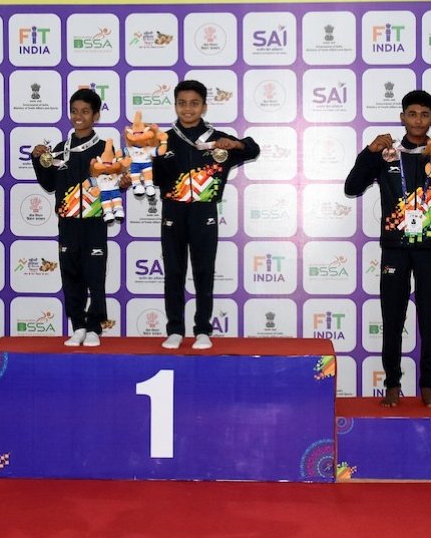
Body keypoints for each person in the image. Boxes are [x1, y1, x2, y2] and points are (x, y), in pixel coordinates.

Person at [344, 90, 431, 408]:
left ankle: (428, 385)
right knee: (393, 319)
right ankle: (392, 384)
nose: (418, 120)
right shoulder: (386, 154)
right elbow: (351, 187)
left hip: (430, 250)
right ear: (402, 117)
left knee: (430, 320)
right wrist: (369, 152)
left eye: (425, 114)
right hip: (395, 249)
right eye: (412, 114)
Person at [154, 80, 259, 350]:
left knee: (203, 271)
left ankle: (203, 330)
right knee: (174, 272)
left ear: (204, 106)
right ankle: (175, 330)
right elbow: (153, 177)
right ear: (175, 105)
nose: (188, 109)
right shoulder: (163, 140)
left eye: (194, 103)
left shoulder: (217, 139)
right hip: (173, 212)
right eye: (182, 103)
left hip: (205, 213)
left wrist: (235, 144)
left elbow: (253, 148)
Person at [30, 88, 129, 348]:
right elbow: (49, 184)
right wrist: (38, 160)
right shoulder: (60, 150)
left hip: (95, 221)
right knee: (70, 274)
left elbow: (116, 182)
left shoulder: (106, 149)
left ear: (96, 116)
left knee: (95, 275)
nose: (78, 116)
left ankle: (94, 327)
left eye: (85, 111)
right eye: (74, 111)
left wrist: (124, 183)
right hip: (68, 223)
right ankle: (78, 326)